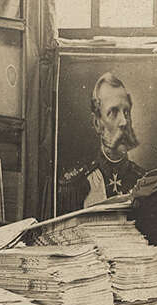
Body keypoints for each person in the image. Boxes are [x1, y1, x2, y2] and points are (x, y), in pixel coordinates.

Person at [59, 71, 147, 209]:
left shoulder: (145, 182)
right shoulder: (75, 185)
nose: (124, 122)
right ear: (97, 123)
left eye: (126, 112)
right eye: (113, 112)